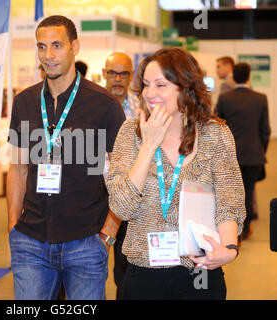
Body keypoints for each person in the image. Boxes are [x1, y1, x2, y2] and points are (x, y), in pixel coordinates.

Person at [106, 47, 246, 300]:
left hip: (200, 271)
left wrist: (228, 248)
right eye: (146, 85)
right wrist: (148, 146)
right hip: (143, 275)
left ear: (185, 88)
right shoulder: (130, 132)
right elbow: (121, 206)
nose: (149, 94)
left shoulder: (215, 135)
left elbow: (229, 202)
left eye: (161, 85)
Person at [7, 15, 125, 300]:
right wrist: (13, 226)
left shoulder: (104, 106)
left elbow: (124, 177)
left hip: (85, 241)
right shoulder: (24, 102)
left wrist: (108, 232)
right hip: (31, 241)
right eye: (42, 46)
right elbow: (18, 168)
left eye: (57, 45)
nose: (48, 55)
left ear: (75, 47)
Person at [216, 63, 271, 241]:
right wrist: (260, 150)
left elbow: (218, 125)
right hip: (254, 155)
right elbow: (266, 130)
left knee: (230, 194)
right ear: (249, 76)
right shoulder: (260, 98)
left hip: (230, 155)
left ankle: (234, 232)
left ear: (233, 77)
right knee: (247, 190)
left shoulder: (225, 98)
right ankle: (245, 229)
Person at [102, 51, 138, 299]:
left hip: (129, 197)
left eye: (123, 73)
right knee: (81, 264)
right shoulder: (90, 103)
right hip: (92, 195)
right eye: (112, 73)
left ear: (131, 76)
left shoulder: (143, 108)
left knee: (124, 268)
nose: (117, 78)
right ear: (104, 73)